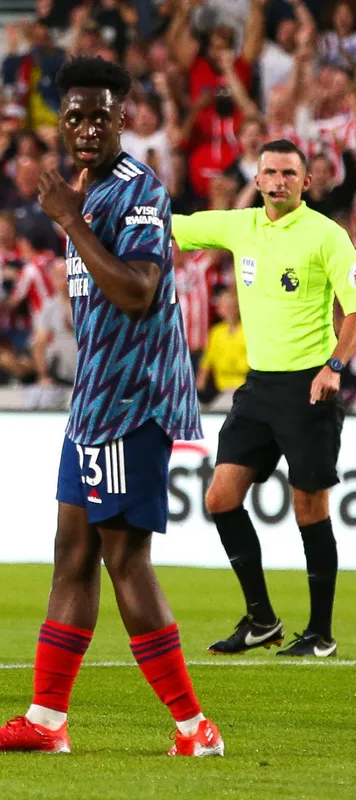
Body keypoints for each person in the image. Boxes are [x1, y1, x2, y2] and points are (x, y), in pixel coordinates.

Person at [0, 57, 223, 757]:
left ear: (124, 117)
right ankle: (46, 722)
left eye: (99, 115)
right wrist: (72, 211)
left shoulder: (138, 191)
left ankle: (195, 729)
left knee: (123, 559)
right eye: (73, 115)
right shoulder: (82, 188)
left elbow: (138, 288)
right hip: (95, 399)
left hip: (130, 399)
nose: (84, 127)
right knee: (71, 553)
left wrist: (71, 222)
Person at [172, 139, 356, 659]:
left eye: (288, 174)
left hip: (308, 387)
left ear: (306, 182)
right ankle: (262, 620)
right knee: (220, 498)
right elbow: (172, 223)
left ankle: (320, 634)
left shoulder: (327, 236)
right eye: (269, 173)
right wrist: (105, 199)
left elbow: (355, 309)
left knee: (309, 507)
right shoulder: (240, 225)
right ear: (256, 180)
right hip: (258, 387)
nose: (278, 182)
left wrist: (333, 367)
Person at [195, 288, 248, 405]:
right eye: (224, 306)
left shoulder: (248, 332)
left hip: (244, 389)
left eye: (231, 305)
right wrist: (199, 384)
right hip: (221, 389)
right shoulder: (216, 333)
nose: (228, 310)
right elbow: (206, 362)